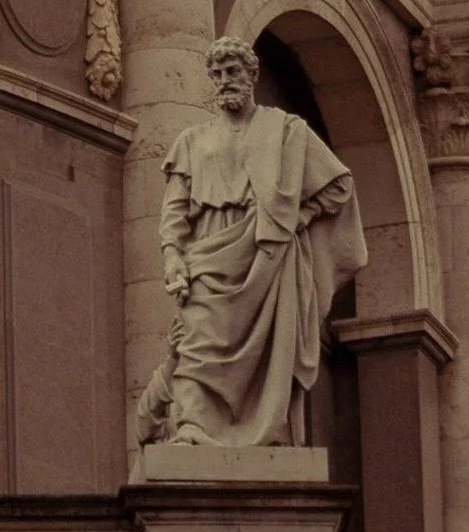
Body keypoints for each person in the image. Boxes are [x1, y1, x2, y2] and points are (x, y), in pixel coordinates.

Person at [139, 36, 366, 450]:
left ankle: (268, 430)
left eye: (233, 71)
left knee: (269, 346)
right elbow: (174, 210)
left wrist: (300, 217)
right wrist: (172, 256)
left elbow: (339, 185)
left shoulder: (287, 131)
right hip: (209, 252)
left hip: (268, 255)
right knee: (196, 341)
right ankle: (193, 425)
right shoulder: (191, 140)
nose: (225, 80)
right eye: (218, 74)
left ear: (252, 75)